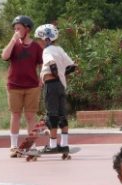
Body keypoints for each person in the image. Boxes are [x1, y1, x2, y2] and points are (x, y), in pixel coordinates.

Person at [1, 15, 43, 158]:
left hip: (32, 86)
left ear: (27, 29)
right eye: (15, 29)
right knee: (15, 114)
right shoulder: (14, 44)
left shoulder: (36, 46)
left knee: (31, 116)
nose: (16, 31)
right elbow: (4, 56)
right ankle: (13, 146)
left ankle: (32, 146)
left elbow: (41, 63)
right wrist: (13, 40)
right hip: (14, 85)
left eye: (19, 28)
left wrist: (42, 77)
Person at [33, 24, 76, 155]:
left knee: (52, 114)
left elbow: (51, 63)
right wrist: (61, 74)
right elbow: (72, 66)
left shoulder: (47, 51)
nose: (38, 42)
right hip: (61, 86)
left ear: (46, 39)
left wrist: (55, 73)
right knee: (62, 114)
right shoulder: (59, 49)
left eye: (39, 39)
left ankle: (52, 145)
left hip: (51, 85)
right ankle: (64, 145)